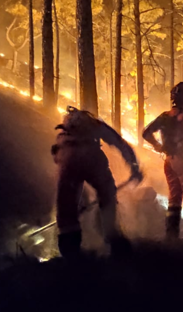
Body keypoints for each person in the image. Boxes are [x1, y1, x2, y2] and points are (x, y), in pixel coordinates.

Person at [51, 106, 142, 258]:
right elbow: (119, 143)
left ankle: (70, 256)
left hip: (67, 160)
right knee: (107, 195)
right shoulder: (95, 125)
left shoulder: (62, 136)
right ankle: (113, 238)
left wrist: (76, 200)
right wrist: (134, 167)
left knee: (66, 210)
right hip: (93, 158)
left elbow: (57, 157)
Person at [143, 82, 183, 240]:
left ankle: (171, 236)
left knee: (174, 197)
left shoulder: (164, 116)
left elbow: (146, 132)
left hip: (169, 161)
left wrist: (158, 146)